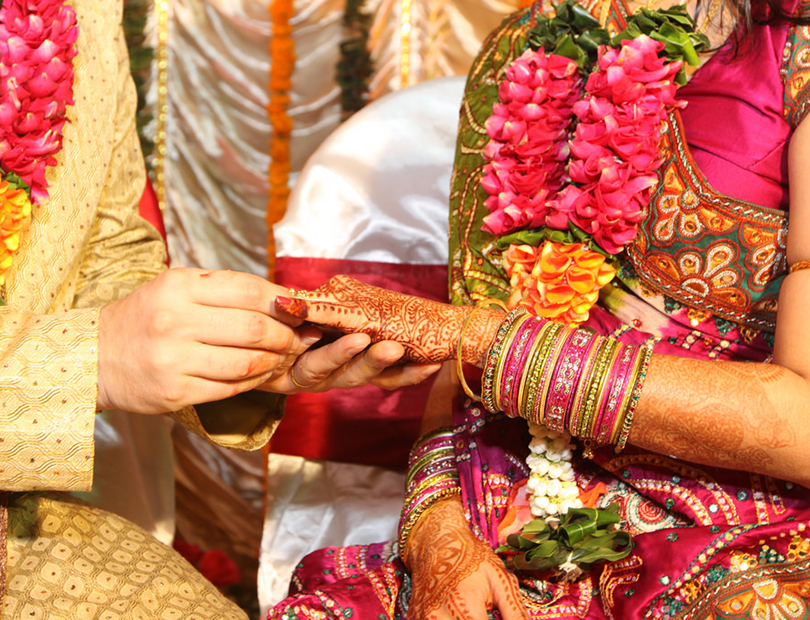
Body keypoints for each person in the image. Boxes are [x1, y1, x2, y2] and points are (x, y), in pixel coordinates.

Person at [266, 0, 810, 616]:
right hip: (502, 490)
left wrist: (473, 337)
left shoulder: (796, 52)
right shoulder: (532, 40)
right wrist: (435, 526)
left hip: (743, 530)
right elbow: (465, 347)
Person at [0, 0, 439, 617]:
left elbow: (107, 246)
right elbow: (96, 352)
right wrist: (86, 364)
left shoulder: (82, 12)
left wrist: (243, 350)